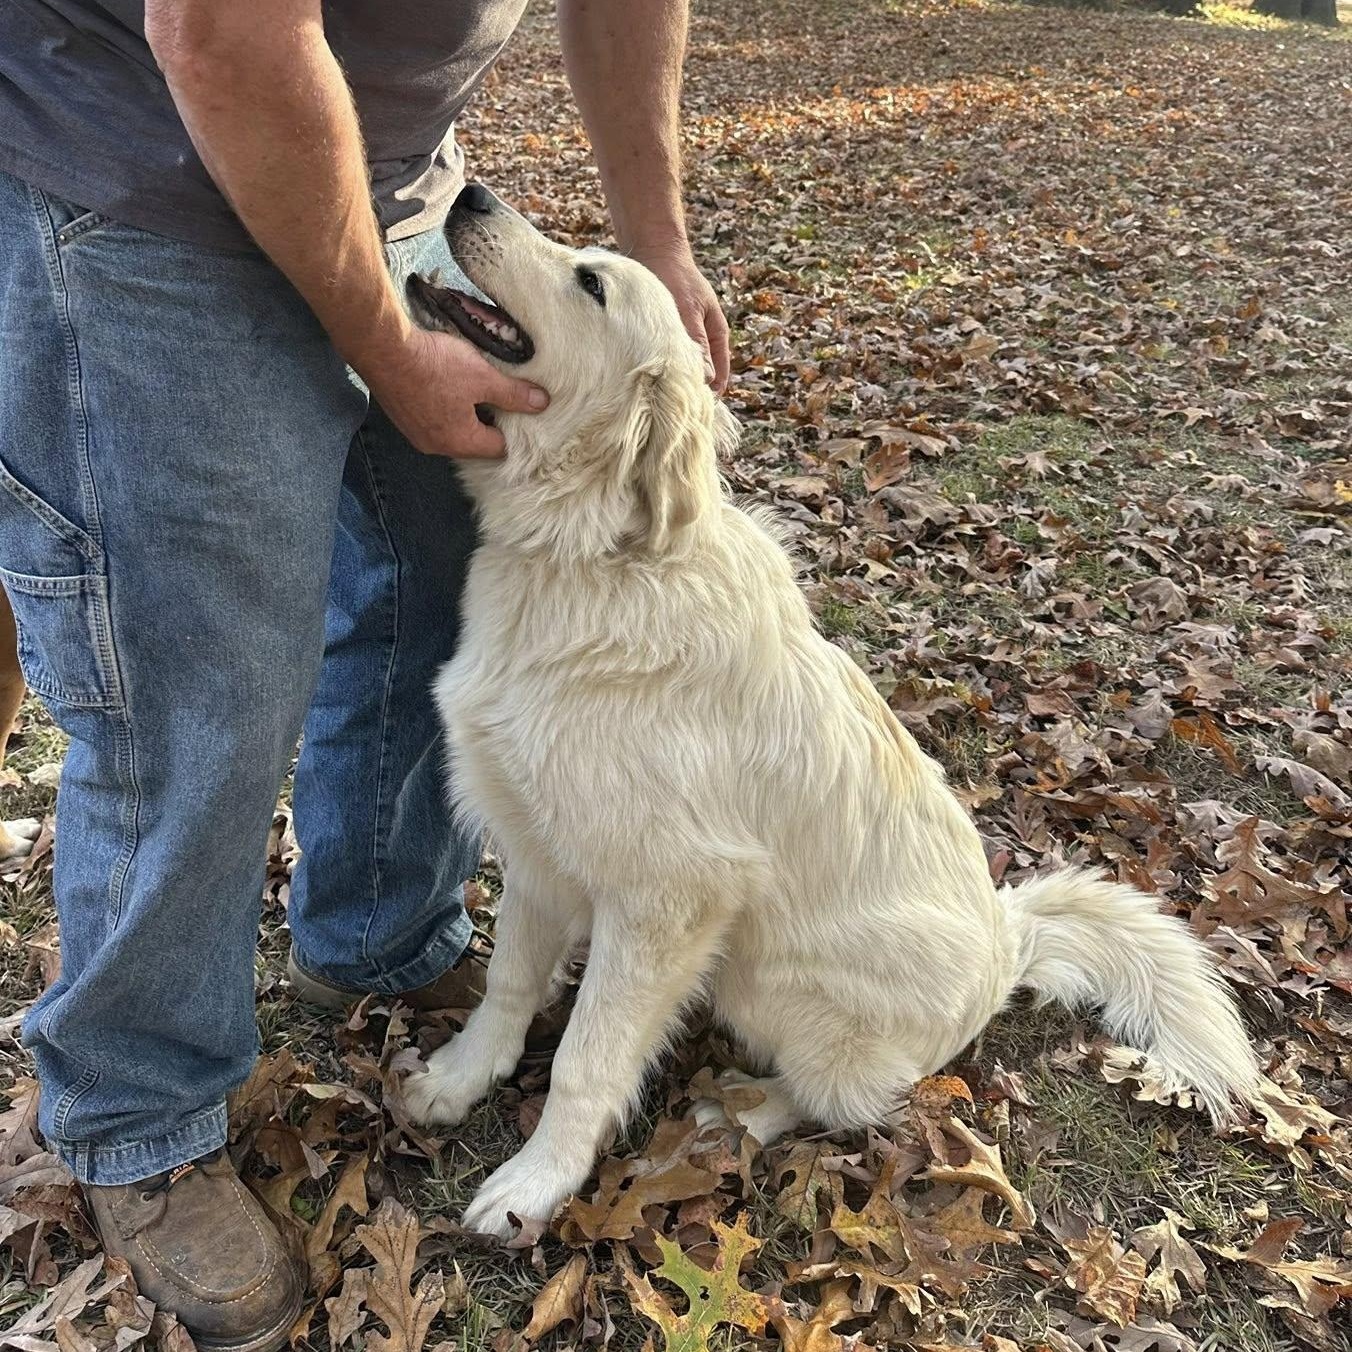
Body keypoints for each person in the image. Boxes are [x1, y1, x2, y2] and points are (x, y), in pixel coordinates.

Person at [0, 2, 730, 1347]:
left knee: (434, 585)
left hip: (390, 176)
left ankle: (381, 935)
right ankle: (135, 1116)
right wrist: (385, 350)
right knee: (193, 688)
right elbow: (222, 31)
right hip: (140, 184)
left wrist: (658, 235)